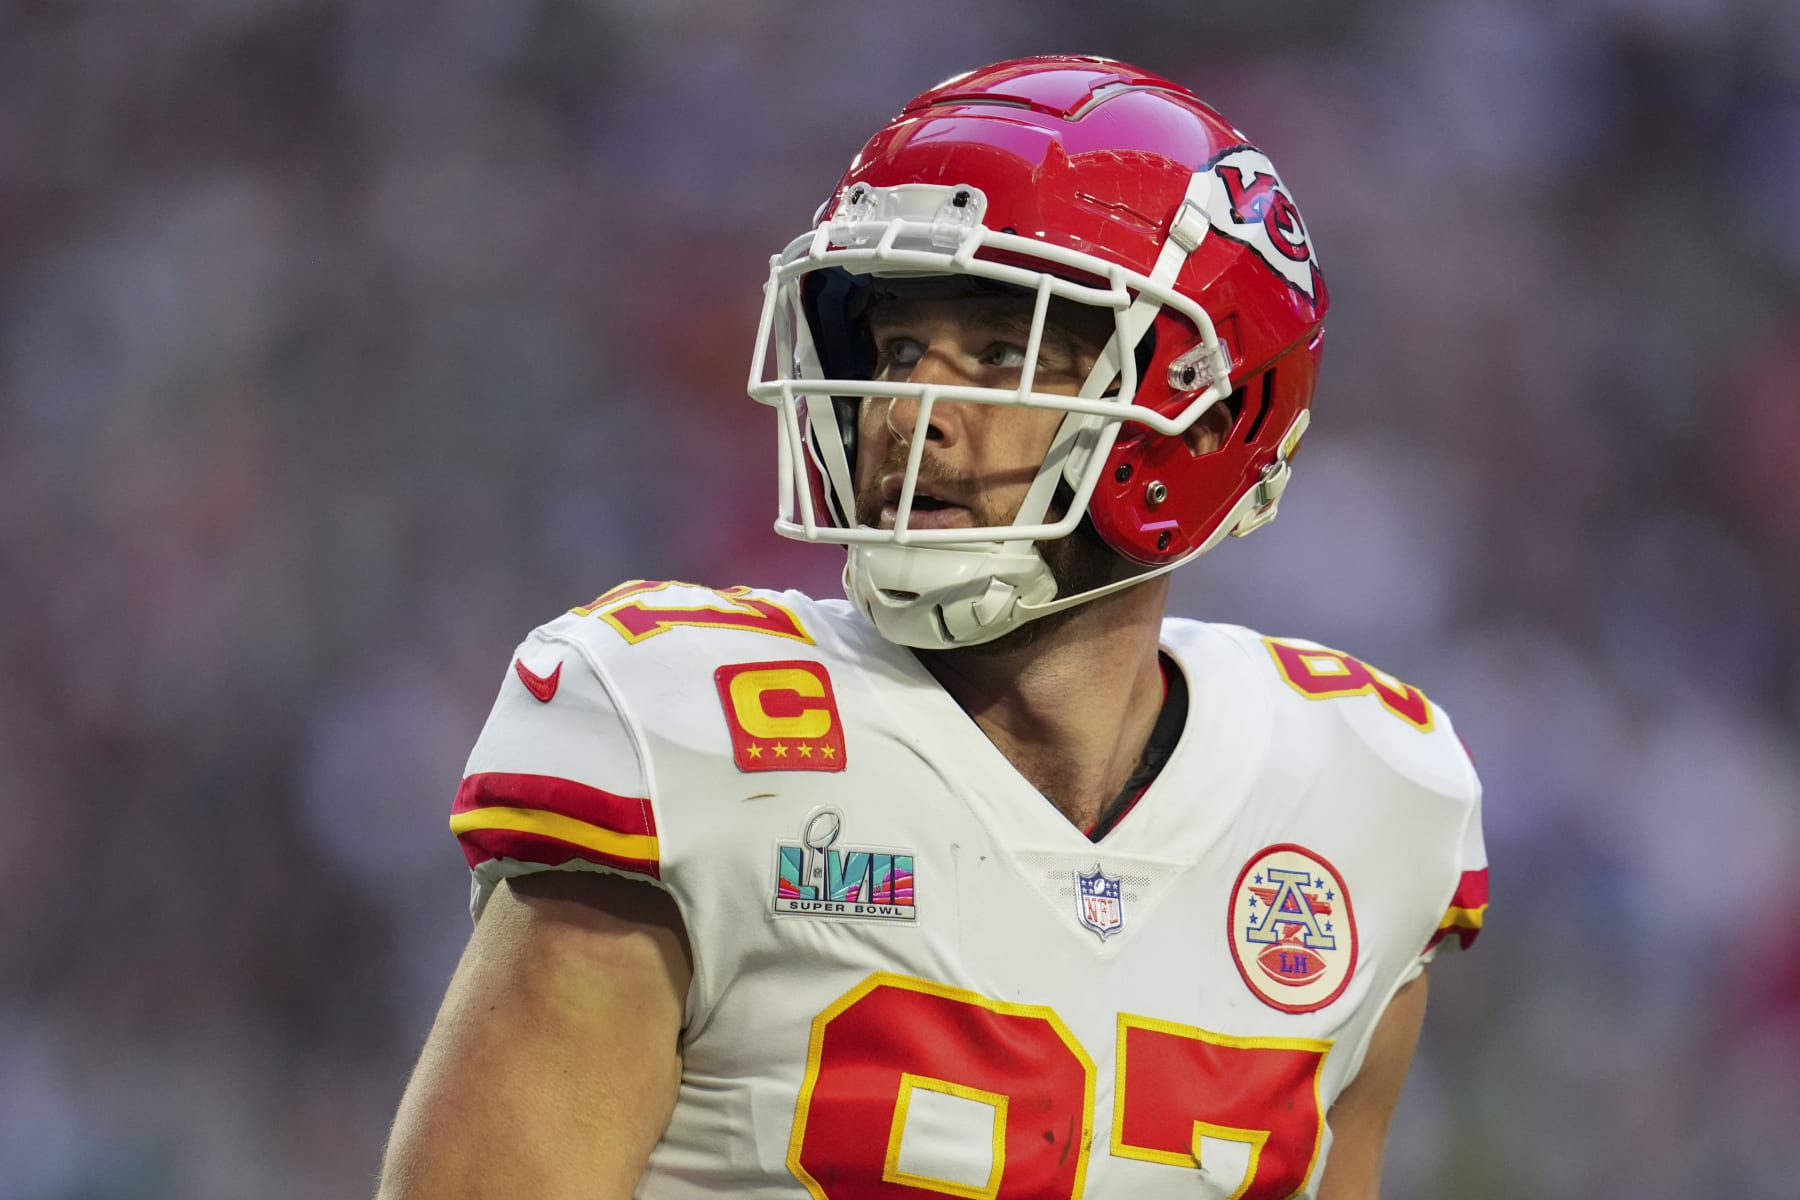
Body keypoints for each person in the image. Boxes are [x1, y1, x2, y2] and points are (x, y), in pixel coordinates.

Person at [377, 55, 1488, 1200]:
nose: (912, 413)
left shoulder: (1370, 801)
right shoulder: (681, 733)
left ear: (1205, 418)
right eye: (902, 351)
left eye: (1007, 353)